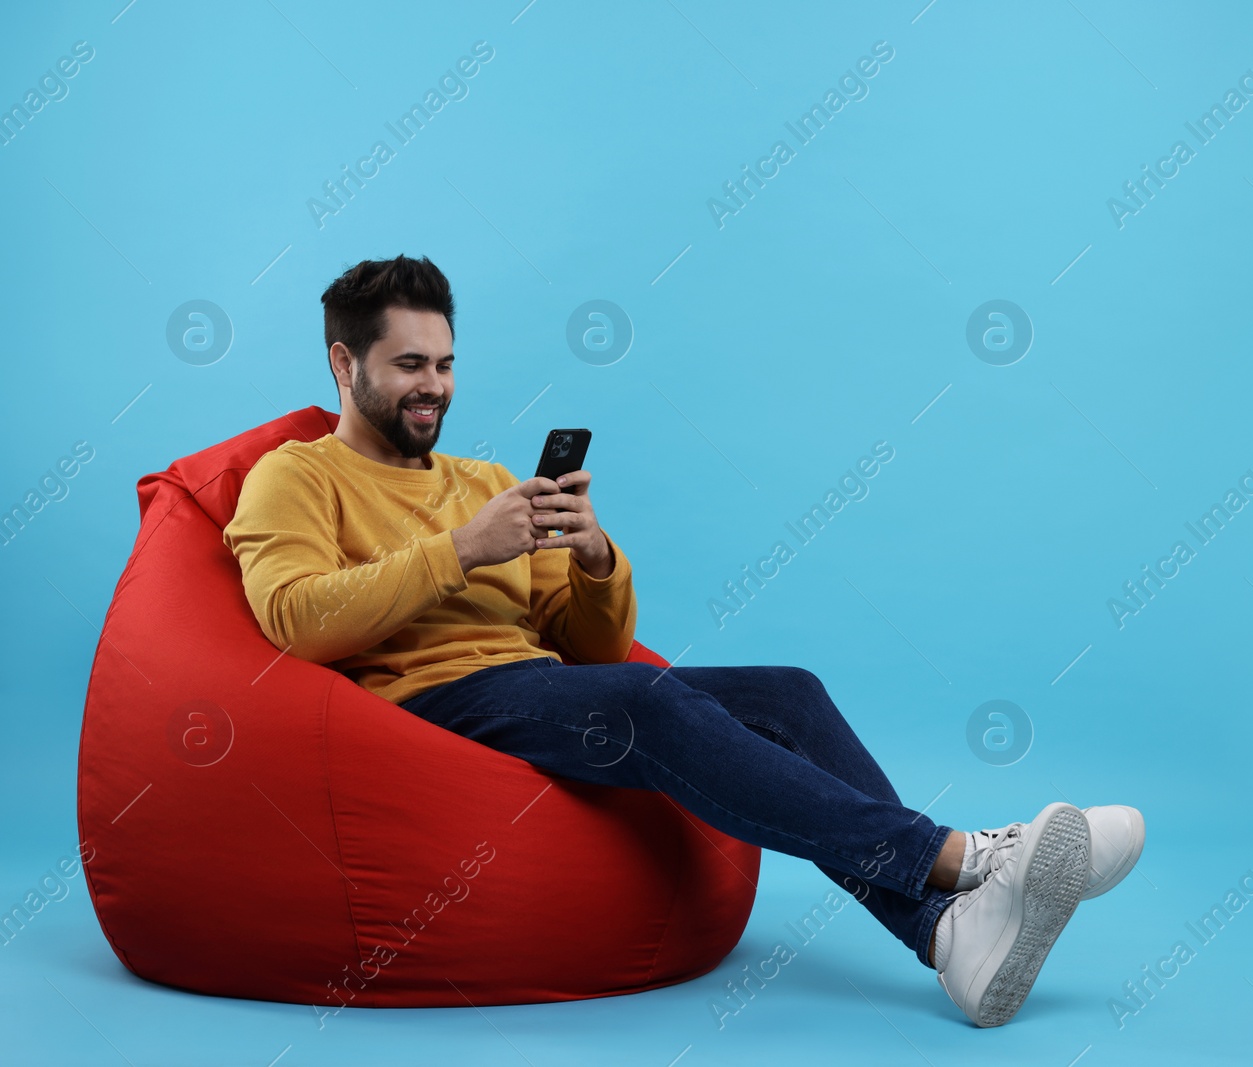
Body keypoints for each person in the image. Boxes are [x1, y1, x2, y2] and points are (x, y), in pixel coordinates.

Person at [222, 254, 1146, 1028]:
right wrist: (461, 550)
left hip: (536, 685)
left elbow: (590, 649)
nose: (433, 386)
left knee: (788, 691)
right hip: (430, 707)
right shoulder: (295, 477)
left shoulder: (484, 479)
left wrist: (592, 557)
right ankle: (964, 858)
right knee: (647, 700)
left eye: (446, 364)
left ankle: (947, 936)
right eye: (408, 365)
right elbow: (297, 619)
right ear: (344, 365)